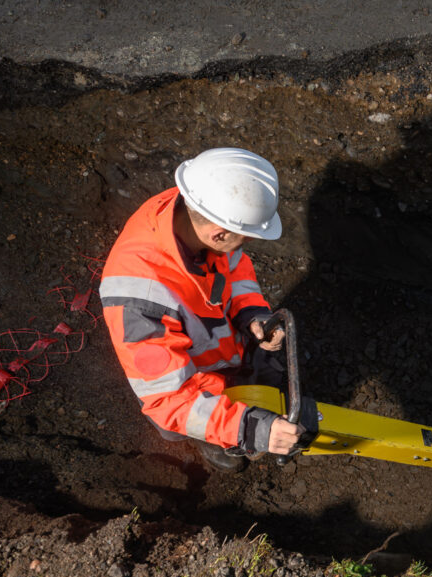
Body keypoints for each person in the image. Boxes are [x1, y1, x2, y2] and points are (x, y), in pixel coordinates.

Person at [100, 147, 300, 472]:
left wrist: (250, 313)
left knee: (246, 373)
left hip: (215, 350)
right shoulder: (138, 298)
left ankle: (232, 395)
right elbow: (167, 398)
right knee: (182, 421)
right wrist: (248, 429)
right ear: (218, 233)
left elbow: (233, 264)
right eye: (245, 239)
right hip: (184, 386)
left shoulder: (191, 208)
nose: (245, 246)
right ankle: (209, 437)